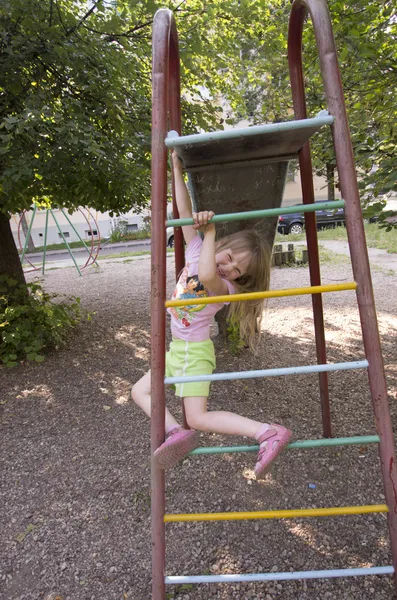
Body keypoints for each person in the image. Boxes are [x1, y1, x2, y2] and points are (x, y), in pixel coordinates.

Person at [131, 151, 291, 478]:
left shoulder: (224, 288)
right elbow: (184, 210)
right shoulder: (195, 249)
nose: (229, 267)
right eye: (230, 257)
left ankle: (267, 432)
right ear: (226, 244)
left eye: (237, 270)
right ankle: (176, 433)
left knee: (199, 418)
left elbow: (205, 275)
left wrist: (212, 233)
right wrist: (176, 168)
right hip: (179, 349)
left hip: (194, 352)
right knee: (139, 392)